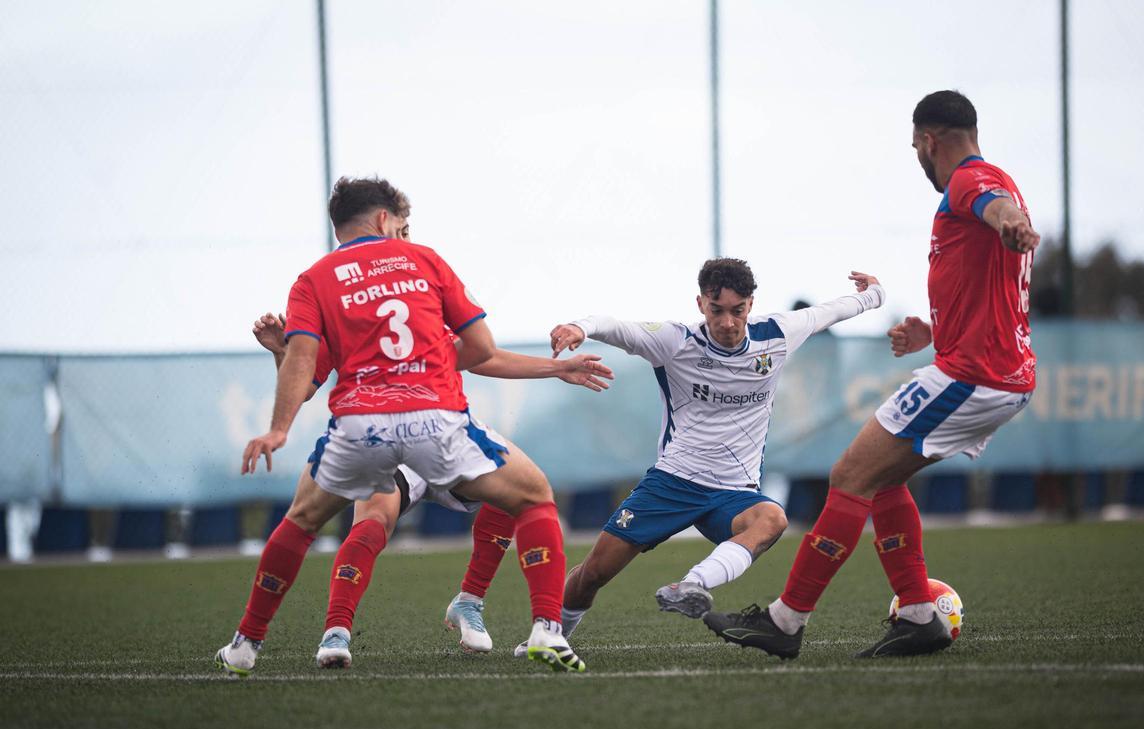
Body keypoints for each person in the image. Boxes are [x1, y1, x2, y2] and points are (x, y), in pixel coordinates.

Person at [704, 89, 1040, 659]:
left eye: (915, 148)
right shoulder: (999, 179)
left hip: (973, 375)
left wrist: (1011, 222)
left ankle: (785, 621)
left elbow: (996, 207)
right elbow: (993, 286)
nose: (918, 158)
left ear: (928, 141)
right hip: (991, 370)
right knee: (880, 480)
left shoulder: (970, 180)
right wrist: (934, 331)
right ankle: (918, 614)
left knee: (849, 476)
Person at [215, 176, 588, 676]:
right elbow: (481, 349)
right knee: (533, 495)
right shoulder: (424, 261)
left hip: (361, 426)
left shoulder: (313, 279)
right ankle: (546, 628)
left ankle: (245, 645)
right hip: (434, 419)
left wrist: (278, 429)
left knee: (301, 522)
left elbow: (303, 362)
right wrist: (428, 360)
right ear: (384, 219)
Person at [511, 258, 885, 655]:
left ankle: (692, 584)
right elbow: (614, 325)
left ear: (751, 304)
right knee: (593, 573)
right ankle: (549, 634)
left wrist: (874, 294)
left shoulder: (777, 334)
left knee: (772, 519)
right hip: (672, 484)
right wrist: (580, 327)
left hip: (734, 493)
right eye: (716, 310)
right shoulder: (674, 341)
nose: (727, 322)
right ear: (700, 303)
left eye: (737, 310)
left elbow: (831, 311)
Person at [251, 311, 611, 662]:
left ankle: (470, 601)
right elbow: (306, 384)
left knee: (515, 493)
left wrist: (558, 368)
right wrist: (282, 353)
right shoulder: (344, 306)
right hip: (383, 438)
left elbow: (482, 355)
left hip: (442, 434)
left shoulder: (423, 295)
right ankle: (336, 631)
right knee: (373, 521)